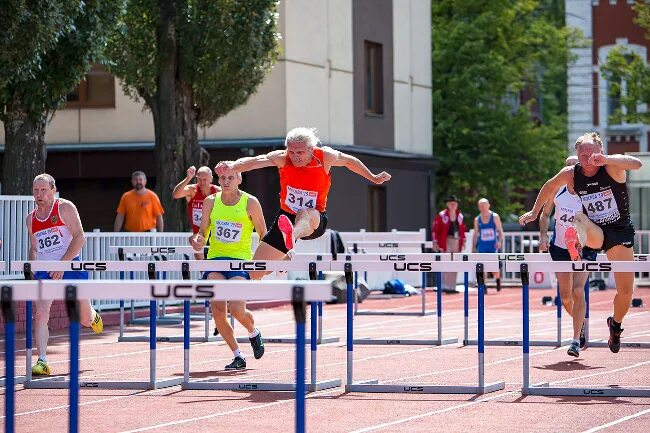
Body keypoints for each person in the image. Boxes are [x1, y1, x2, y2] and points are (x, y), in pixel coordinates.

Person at [519, 132, 643, 353]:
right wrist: (534, 211)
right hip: (594, 232)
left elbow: (637, 163)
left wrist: (606, 159)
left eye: (591, 152)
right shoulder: (572, 174)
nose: (587, 157)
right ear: (576, 154)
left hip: (619, 232)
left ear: (600, 150)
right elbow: (549, 186)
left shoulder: (612, 168)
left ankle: (615, 324)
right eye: (582, 153)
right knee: (579, 219)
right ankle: (579, 243)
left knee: (625, 293)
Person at [214, 127, 391, 275]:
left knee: (303, 213)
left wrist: (373, 178)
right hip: (286, 217)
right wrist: (232, 165)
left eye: (300, 152)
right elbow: (253, 162)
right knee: (255, 270)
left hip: (314, 220)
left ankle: (292, 236)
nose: (295, 156)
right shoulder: (282, 158)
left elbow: (349, 161)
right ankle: (281, 261)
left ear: (311, 149)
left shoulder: (325, 157)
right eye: (291, 152)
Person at [190, 166, 267, 370]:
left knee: (236, 308)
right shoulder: (210, 202)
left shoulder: (250, 202)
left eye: (230, 177)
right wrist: (198, 240)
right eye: (222, 178)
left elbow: (263, 234)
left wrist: (262, 264)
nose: (226, 181)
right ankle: (237, 355)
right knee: (217, 310)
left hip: (240, 261)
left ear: (239, 178)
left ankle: (253, 332)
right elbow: (203, 230)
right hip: (215, 260)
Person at [27, 174, 103, 375]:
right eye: (36, 190)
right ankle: (42, 361)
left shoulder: (65, 208)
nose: (39, 194)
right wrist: (32, 269)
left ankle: (93, 315)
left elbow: (80, 238)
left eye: (43, 190)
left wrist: (62, 264)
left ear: (53, 190)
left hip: (71, 266)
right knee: (41, 312)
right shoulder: (31, 218)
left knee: (84, 318)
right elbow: (34, 247)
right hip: (45, 269)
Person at [539, 156, 598, 357]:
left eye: (575, 166)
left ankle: (574, 341)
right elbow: (545, 214)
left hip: (584, 247)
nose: (572, 170)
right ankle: (579, 324)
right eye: (568, 166)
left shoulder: (588, 192)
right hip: (560, 248)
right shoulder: (557, 190)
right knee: (565, 296)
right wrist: (543, 236)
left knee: (578, 290)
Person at [172, 165, 220, 258]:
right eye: (199, 179)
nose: (202, 182)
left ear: (211, 179)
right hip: (199, 233)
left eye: (205, 179)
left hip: (215, 232)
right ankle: (203, 271)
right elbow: (176, 194)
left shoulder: (218, 192)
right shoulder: (193, 190)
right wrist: (188, 178)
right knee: (196, 244)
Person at [432, 195, 466, 292]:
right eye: (451, 204)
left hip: (456, 241)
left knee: (455, 264)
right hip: (446, 241)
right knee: (445, 263)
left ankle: (452, 287)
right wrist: (435, 242)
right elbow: (435, 229)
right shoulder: (442, 215)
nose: (453, 205)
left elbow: (463, 230)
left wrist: (463, 241)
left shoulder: (460, 216)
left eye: (454, 204)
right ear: (447, 204)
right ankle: (443, 285)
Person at [472, 198, 504, 291]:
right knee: (482, 267)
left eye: (484, 205)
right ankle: (484, 285)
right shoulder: (477, 219)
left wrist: (500, 241)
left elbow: (500, 231)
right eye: (481, 206)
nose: (483, 208)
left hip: (493, 246)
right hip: (482, 246)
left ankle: (497, 279)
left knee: (494, 269)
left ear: (488, 205)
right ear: (479, 207)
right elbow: (475, 234)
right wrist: (473, 247)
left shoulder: (494, 216)